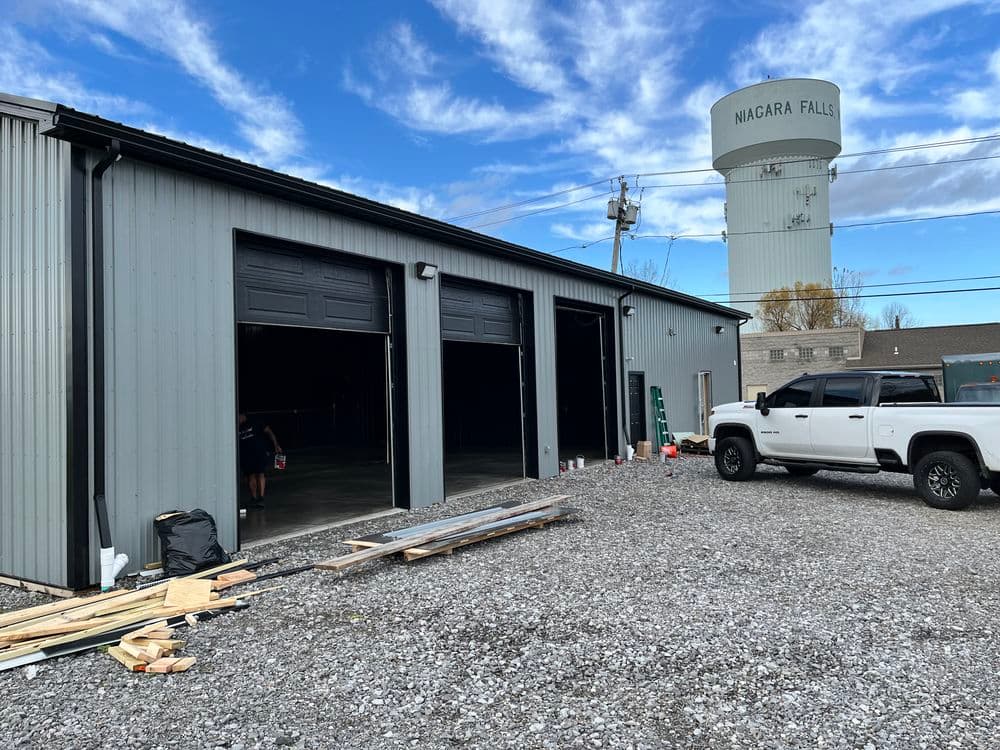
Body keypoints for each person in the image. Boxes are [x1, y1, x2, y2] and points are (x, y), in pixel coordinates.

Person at [238, 413, 282, 508]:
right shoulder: (237, 427)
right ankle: (254, 498)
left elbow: (269, 432)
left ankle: (261, 498)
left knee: (260, 473)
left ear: (242, 415)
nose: (238, 420)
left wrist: (276, 445)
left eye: (239, 417)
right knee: (250, 476)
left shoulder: (255, 421)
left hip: (259, 453)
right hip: (246, 455)